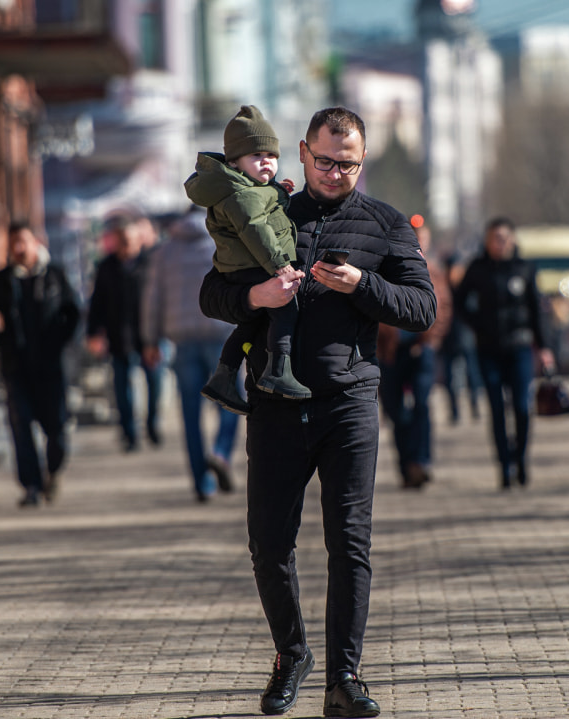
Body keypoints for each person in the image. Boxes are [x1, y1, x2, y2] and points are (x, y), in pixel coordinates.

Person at [199, 106, 435, 718]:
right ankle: (291, 654)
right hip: (275, 404)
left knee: (349, 544)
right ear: (303, 153)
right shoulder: (266, 210)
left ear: (363, 160)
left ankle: (344, 679)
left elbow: (422, 308)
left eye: (347, 164)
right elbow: (211, 293)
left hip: (349, 403)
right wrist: (256, 295)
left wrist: (362, 285)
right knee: (268, 543)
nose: (334, 173)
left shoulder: (385, 224)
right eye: (324, 161)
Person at [185, 104, 310, 413]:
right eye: (256, 155)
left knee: (250, 324)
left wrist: (278, 192)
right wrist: (280, 266)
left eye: (271, 155)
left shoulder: (247, 189)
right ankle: (278, 371)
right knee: (286, 309)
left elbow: (260, 203)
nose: (266, 161)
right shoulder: (242, 195)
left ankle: (223, 377)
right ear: (234, 163)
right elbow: (255, 228)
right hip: (256, 266)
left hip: (246, 267)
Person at [140, 206, 243, 502]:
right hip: (220, 335)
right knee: (231, 401)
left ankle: (202, 484)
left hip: (182, 340)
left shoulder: (164, 252)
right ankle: (220, 453)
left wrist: (150, 341)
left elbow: (152, 299)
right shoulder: (222, 244)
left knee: (190, 411)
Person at [0, 222, 81, 507]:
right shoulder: (2, 280)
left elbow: (73, 313)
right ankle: (32, 487)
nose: (18, 248)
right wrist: (3, 341)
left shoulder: (55, 275)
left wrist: (61, 341)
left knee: (57, 428)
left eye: (23, 241)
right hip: (17, 368)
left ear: (36, 242)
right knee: (21, 425)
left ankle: (54, 471)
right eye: (13, 242)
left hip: (51, 367)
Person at [454, 217, 555, 490]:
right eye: (493, 239)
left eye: (503, 238)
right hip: (488, 349)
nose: (498, 243)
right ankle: (504, 466)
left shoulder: (525, 269)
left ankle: (520, 458)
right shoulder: (478, 268)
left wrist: (544, 347)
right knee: (497, 409)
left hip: (520, 347)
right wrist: (477, 324)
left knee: (522, 406)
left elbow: (537, 311)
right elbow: (459, 302)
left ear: (512, 240)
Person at [378, 221, 451, 490]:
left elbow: (443, 309)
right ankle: (406, 467)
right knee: (396, 412)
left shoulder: (434, 272)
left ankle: (421, 462)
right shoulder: (384, 269)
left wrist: (430, 340)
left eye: (423, 238)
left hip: (421, 350)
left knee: (421, 404)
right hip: (390, 352)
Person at [86, 208, 164, 453]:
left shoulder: (151, 264)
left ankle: (152, 424)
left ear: (139, 240)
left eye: (130, 240)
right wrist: (93, 333)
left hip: (150, 334)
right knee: (122, 386)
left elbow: (162, 299)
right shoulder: (106, 267)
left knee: (155, 381)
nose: (126, 245)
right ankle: (129, 433)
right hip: (119, 334)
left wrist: (163, 330)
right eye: (121, 240)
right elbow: (97, 302)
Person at [438, 250, 483, 424]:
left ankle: (474, 406)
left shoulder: (466, 288)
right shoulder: (443, 289)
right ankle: (454, 410)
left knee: (472, 375)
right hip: (448, 338)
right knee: (450, 379)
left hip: (466, 338)